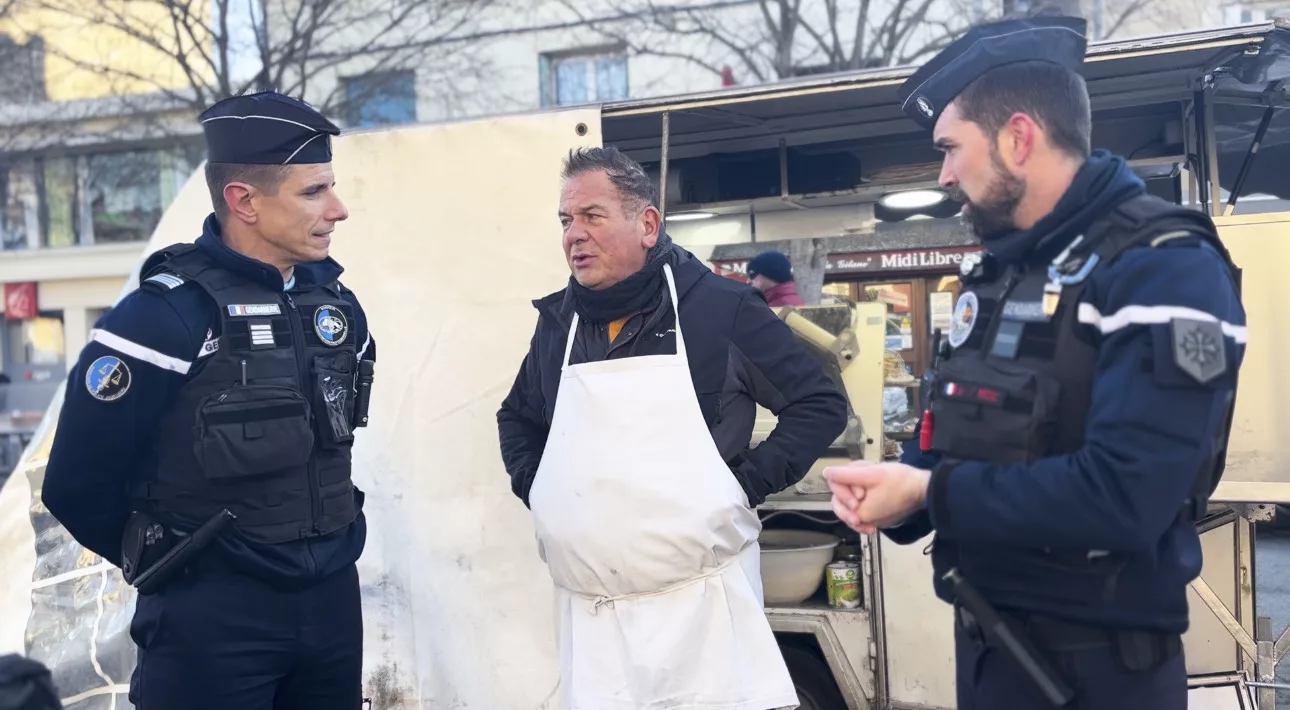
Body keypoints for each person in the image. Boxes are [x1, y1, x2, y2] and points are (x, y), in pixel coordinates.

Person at [823, 16, 1244, 710]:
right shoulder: (1001, 272)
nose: (945, 175)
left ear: (1018, 137)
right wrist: (902, 487)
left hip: (1099, 678)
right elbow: (966, 436)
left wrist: (932, 495)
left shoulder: (1162, 268)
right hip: (991, 657)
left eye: (952, 149)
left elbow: (1126, 499)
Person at [41, 91, 376, 710]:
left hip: (330, 603)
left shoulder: (335, 305)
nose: (338, 209)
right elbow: (75, 484)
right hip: (212, 618)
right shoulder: (165, 316)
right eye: (313, 192)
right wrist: (180, 564)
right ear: (243, 200)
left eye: (332, 187)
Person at [497, 146, 848, 710]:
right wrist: (540, 490)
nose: (574, 235)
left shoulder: (719, 309)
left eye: (592, 215)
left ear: (647, 223)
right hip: (590, 620)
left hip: (699, 616)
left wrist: (742, 485)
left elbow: (819, 402)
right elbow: (517, 417)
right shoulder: (559, 322)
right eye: (566, 220)